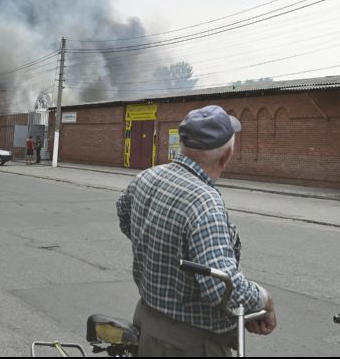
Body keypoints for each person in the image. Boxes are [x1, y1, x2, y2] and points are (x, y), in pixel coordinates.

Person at [117, 105, 276, 357]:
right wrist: (264, 300)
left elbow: (125, 217)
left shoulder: (146, 177)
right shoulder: (204, 203)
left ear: (182, 144)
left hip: (147, 321)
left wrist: (163, 251)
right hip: (188, 343)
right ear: (226, 156)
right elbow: (222, 288)